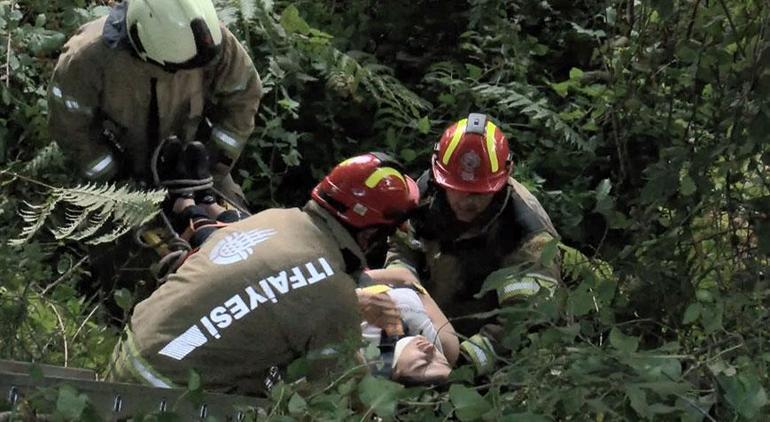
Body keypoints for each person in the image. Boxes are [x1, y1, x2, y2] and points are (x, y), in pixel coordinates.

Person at [108, 153, 427, 395]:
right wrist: (388, 377)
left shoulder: (275, 219)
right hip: (171, 397)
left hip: (126, 361)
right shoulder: (332, 291)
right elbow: (342, 391)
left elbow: (279, 289)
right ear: (370, 236)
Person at [48, 0, 262, 307]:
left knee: (242, 232)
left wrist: (213, 165)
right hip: (122, 175)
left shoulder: (212, 42)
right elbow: (72, 129)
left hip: (195, 165)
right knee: (131, 263)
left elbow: (244, 96)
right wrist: (114, 180)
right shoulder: (88, 59)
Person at [380, 113, 562, 376]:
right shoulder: (426, 195)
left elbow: (520, 323)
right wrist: (405, 297)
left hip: (486, 349)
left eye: (480, 192)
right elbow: (402, 249)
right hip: (428, 326)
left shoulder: (526, 233)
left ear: (504, 179)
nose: (468, 200)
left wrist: (460, 370)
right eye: (457, 188)